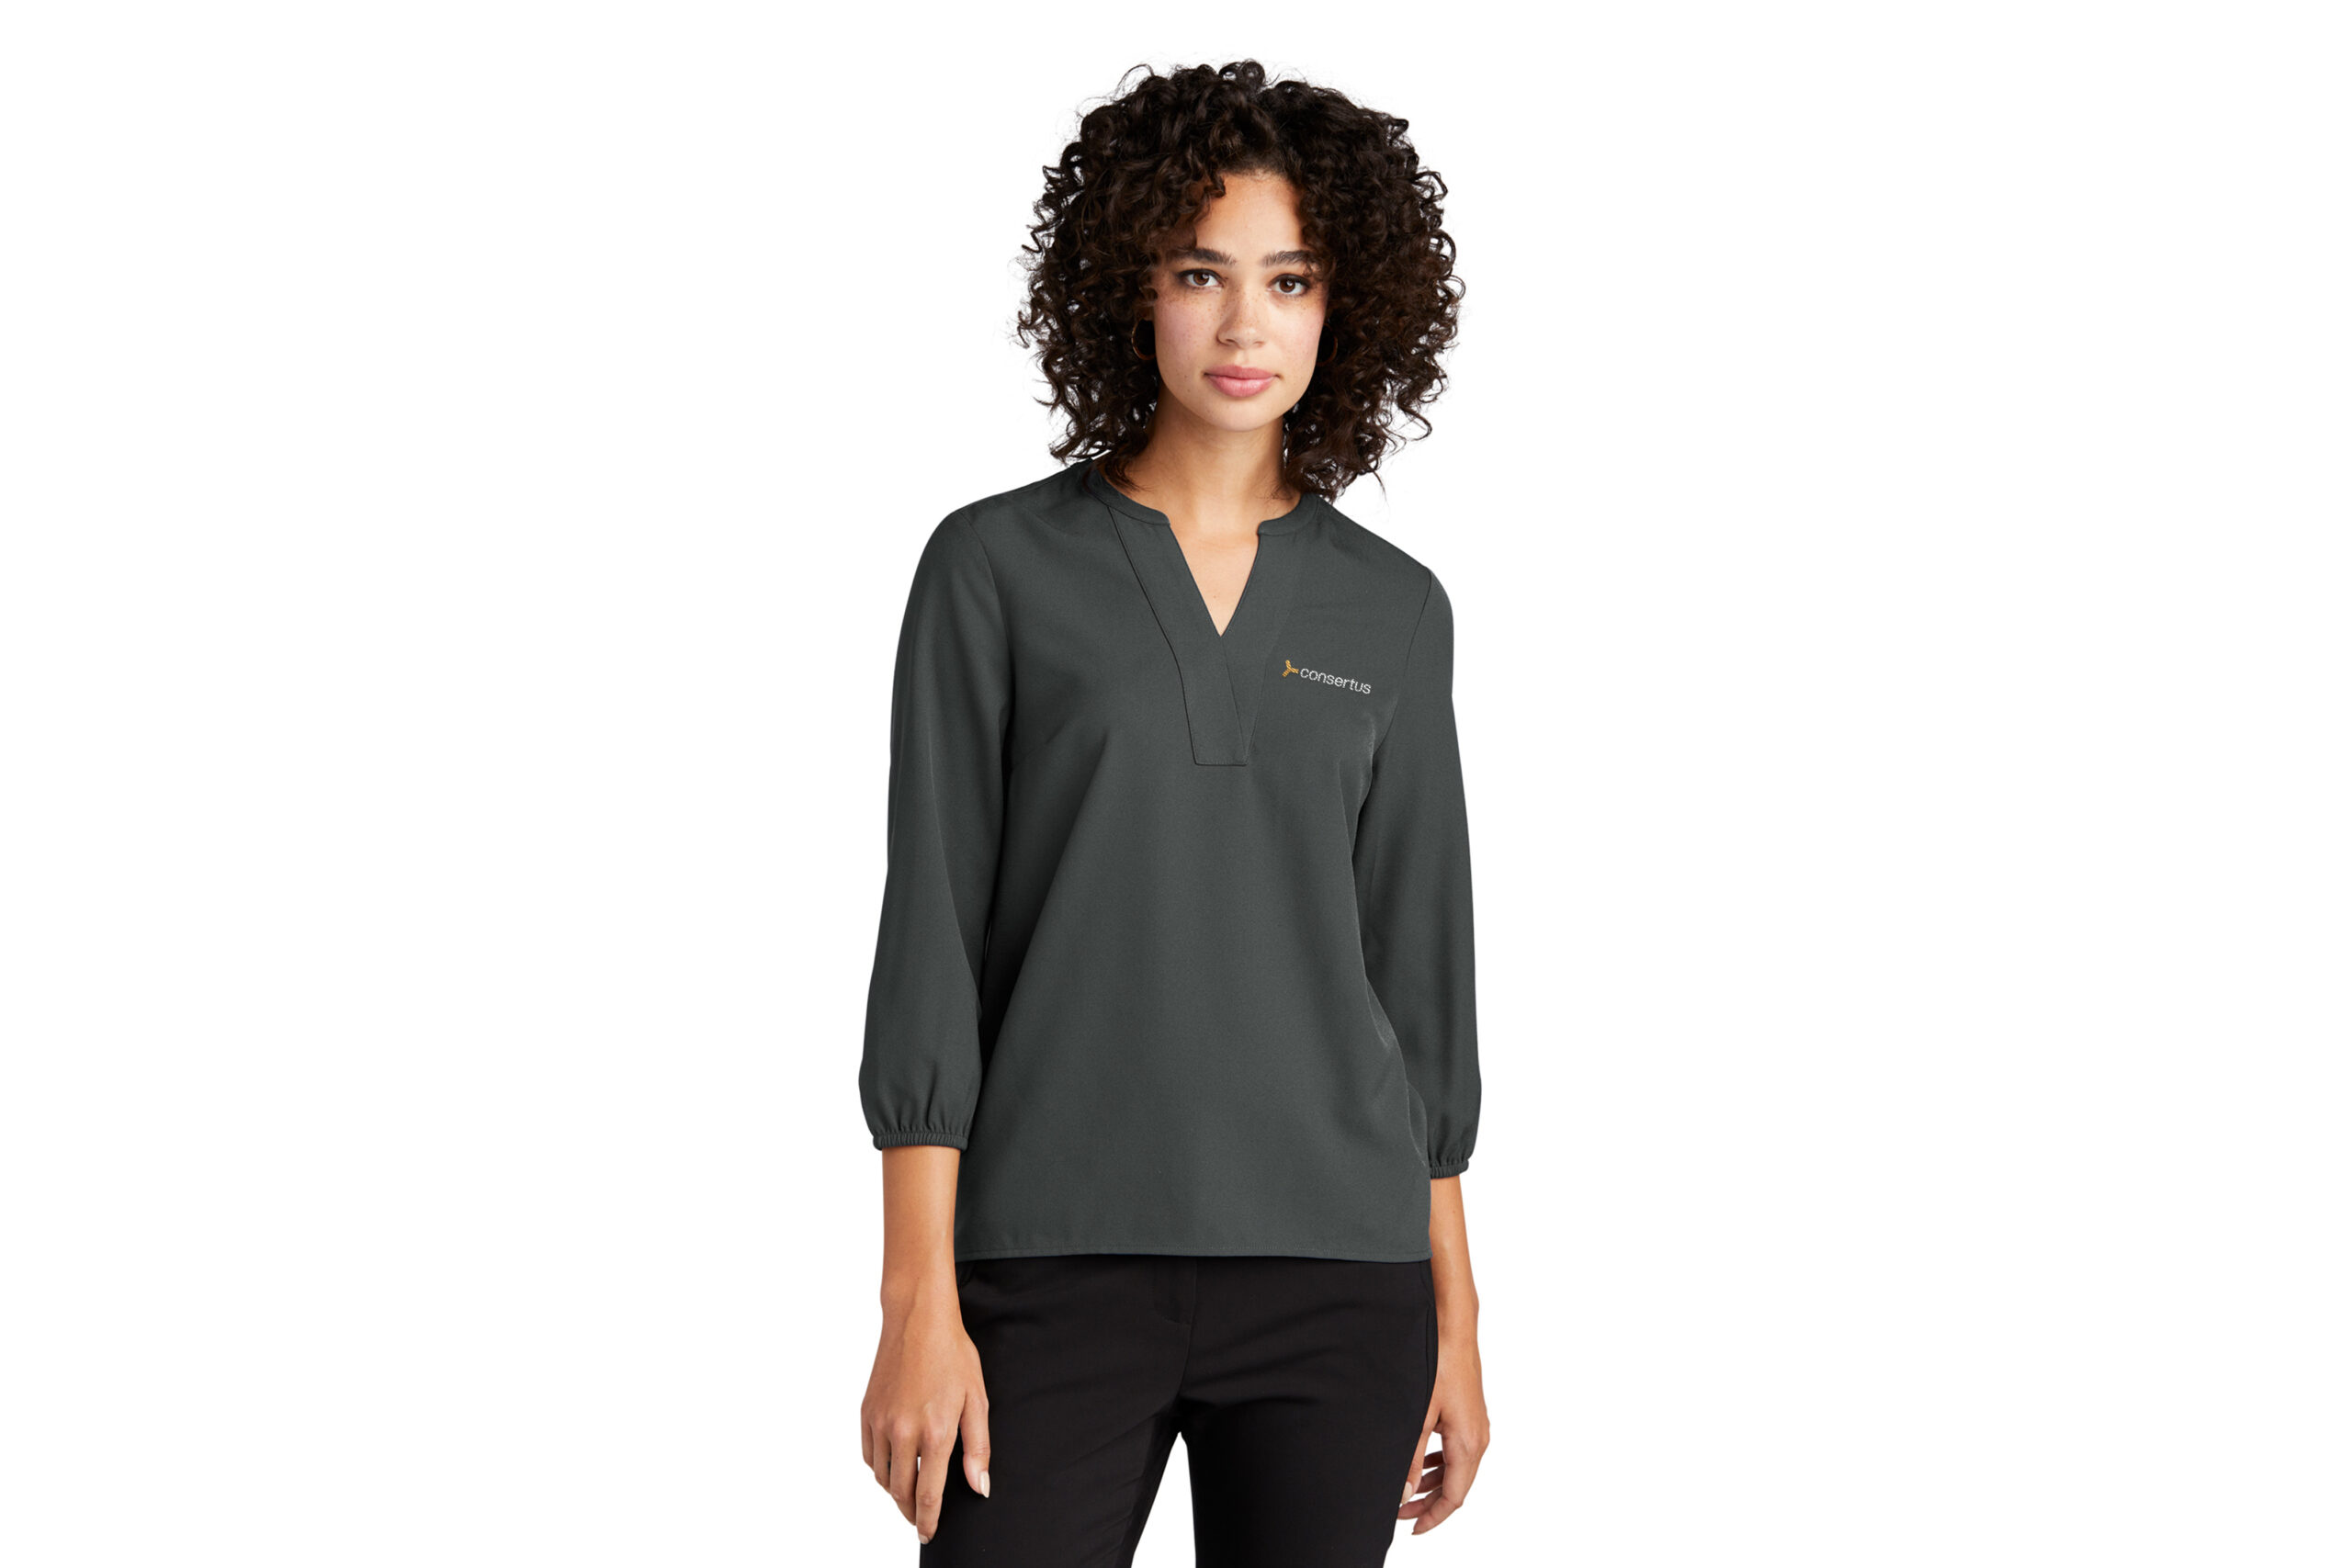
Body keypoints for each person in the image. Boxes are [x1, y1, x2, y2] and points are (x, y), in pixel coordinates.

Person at [855, 60, 1490, 1566]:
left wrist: (1457, 1320)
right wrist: (914, 1300)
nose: (1245, 323)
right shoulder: (993, 572)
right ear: (1130, 285)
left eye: (1290, 279)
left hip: (1342, 1282)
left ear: (1345, 307)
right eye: (1202, 273)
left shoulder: (1396, 610)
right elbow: (932, 940)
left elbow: (1420, 987)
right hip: (1047, 1265)